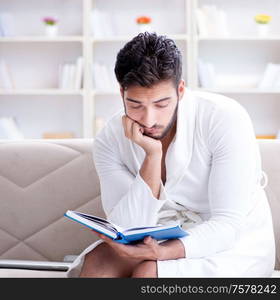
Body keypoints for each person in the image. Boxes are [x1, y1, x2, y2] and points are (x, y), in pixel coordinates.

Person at [67, 32, 275, 278]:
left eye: (161, 104)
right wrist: (152, 157)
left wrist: (161, 254)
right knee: (99, 263)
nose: (149, 119)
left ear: (181, 89)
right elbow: (126, 228)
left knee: (149, 272)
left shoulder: (225, 118)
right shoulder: (109, 139)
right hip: (159, 235)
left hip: (234, 243)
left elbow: (228, 225)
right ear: (121, 92)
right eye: (135, 105)